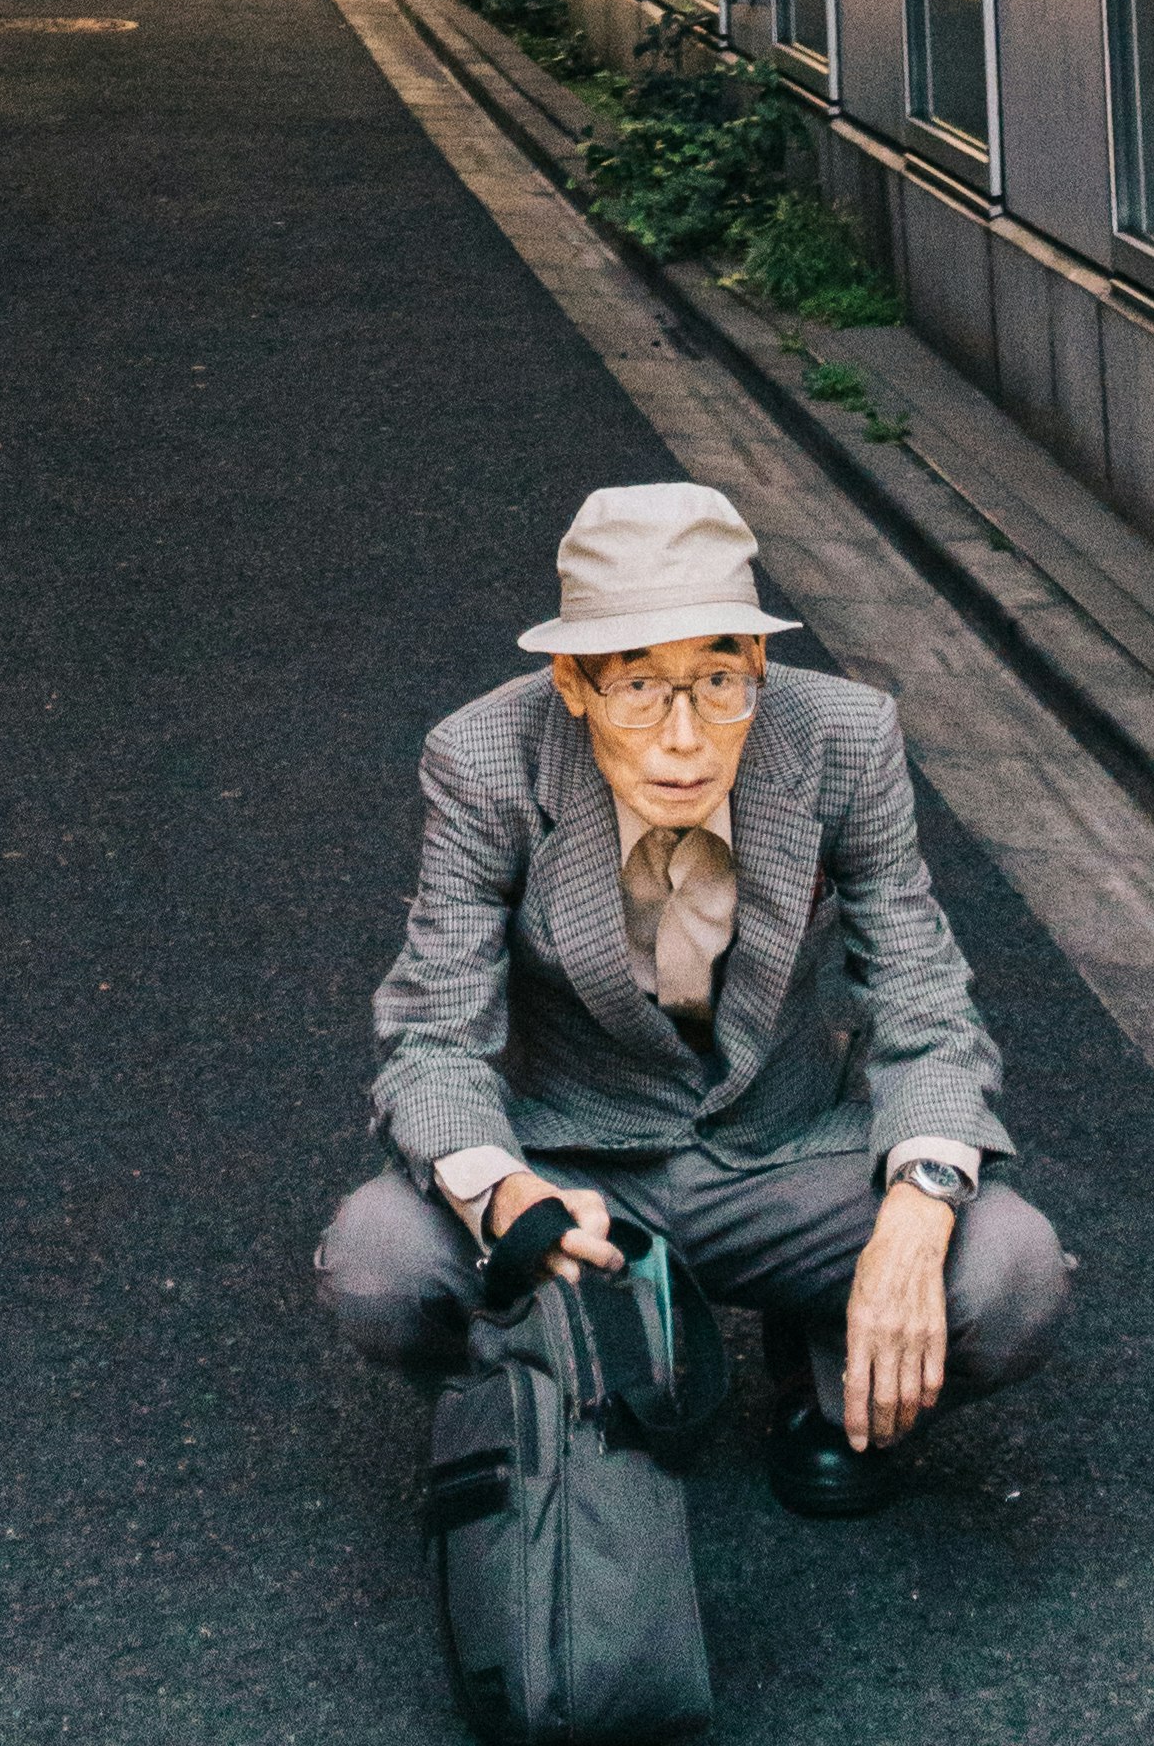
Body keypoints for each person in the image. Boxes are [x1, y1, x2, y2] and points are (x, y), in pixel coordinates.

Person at [317, 481, 1068, 1517]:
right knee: (380, 1260)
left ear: (758, 667)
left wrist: (918, 1207)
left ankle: (826, 1389)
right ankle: (543, 1410)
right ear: (573, 684)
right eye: (636, 688)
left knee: (1009, 1273)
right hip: (575, 1167)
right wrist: (503, 1194)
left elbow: (924, 997)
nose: (684, 737)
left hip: (789, 1153)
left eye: (717, 681)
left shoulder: (844, 739)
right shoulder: (485, 759)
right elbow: (433, 1034)